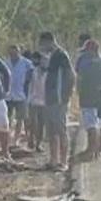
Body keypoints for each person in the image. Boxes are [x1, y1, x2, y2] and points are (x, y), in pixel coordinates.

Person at [39, 32, 75, 170]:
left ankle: (64, 162)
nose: (42, 46)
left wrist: (66, 95)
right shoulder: (50, 57)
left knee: (61, 129)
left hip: (59, 100)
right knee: (51, 131)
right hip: (49, 99)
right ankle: (53, 160)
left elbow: (70, 75)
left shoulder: (61, 55)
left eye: (43, 43)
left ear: (49, 41)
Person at [75, 39, 101, 161]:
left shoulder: (86, 63)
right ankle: (99, 150)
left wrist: (78, 92)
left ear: (90, 50)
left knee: (91, 125)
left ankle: (90, 150)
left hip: (88, 97)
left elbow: (79, 78)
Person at [5, 44, 34, 146]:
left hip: (21, 94)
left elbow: (32, 72)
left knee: (20, 118)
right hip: (8, 94)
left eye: (15, 52)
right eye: (11, 52)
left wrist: (27, 82)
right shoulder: (6, 62)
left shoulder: (26, 63)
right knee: (7, 118)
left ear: (19, 52)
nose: (13, 54)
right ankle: (7, 139)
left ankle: (16, 139)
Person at [27, 50, 48, 152]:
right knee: (33, 122)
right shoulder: (32, 71)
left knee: (41, 124)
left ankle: (38, 144)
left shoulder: (49, 74)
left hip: (45, 102)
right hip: (33, 100)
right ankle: (31, 138)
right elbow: (26, 84)